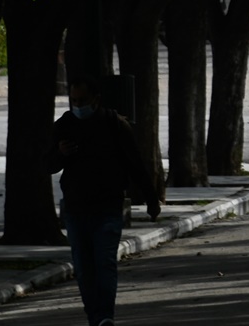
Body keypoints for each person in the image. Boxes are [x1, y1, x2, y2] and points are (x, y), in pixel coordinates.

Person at [46, 81, 159, 326]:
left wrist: (151, 198)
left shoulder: (114, 124)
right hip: (76, 208)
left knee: (105, 262)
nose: (78, 106)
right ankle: (94, 316)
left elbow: (135, 164)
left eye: (82, 101)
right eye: (74, 101)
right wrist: (60, 154)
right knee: (84, 268)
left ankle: (105, 316)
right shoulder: (64, 125)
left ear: (95, 99)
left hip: (108, 206)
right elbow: (48, 165)